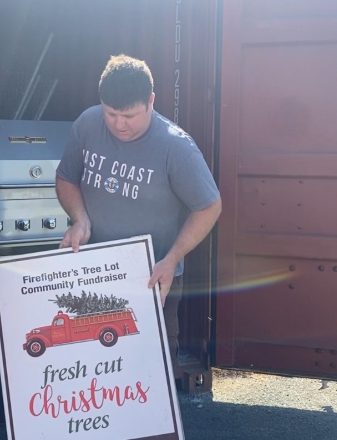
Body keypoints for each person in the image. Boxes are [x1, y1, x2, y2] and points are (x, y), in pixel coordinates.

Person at [55, 54, 221, 374]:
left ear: (151, 101)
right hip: (93, 272)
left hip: (151, 278)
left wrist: (172, 259)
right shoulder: (88, 124)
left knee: (151, 375)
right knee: (89, 368)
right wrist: (80, 218)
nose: (119, 124)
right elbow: (67, 178)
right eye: (111, 113)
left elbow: (209, 206)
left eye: (129, 115)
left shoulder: (177, 148)